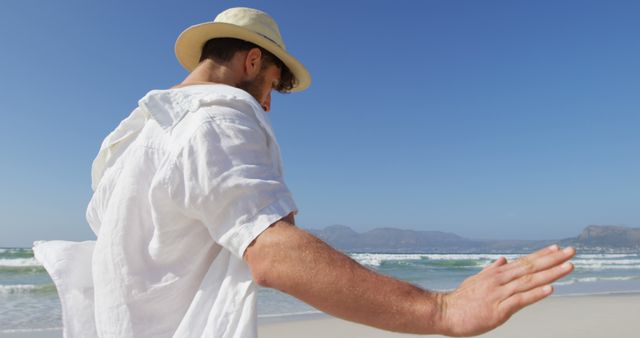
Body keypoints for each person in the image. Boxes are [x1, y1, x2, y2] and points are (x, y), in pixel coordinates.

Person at [33, 7, 576, 338]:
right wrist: (442, 309)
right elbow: (272, 255)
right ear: (251, 62)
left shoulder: (130, 141)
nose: (269, 103)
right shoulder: (215, 122)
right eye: (274, 83)